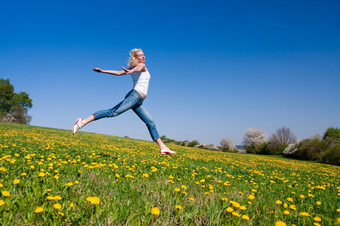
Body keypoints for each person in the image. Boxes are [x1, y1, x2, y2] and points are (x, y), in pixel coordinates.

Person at [72, 48, 176, 155]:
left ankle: (163, 147)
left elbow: (130, 70)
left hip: (138, 101)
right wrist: (103, 71)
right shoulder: (140, 66)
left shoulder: (138, 67)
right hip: (134, 96)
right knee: (113, 112)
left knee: (150, 122)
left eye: (143, 54)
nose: (143, 57)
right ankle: (82, 122)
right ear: (135, 58)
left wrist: (130, 71)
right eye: (140, 55)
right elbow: (119, 73)